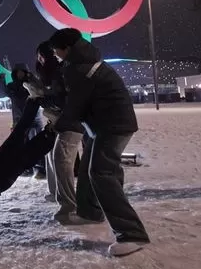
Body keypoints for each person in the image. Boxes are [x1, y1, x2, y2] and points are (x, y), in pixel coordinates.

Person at [49, 28, 150, 257]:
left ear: (66, 49)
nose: (55, 54)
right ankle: (91, 212)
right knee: (89, 168)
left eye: (56, 50)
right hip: (103, 124)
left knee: (102, 173)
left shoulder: (80, 67)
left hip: (113, 125)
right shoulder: (82, 61)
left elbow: (75, 105)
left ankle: (132, 234)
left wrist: (56, 123)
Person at [28, 41, 94, 225]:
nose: (40, 60)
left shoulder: (62, 72)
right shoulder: (51, 73)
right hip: (59, 121)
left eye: (42, 55)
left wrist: (45, 99)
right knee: (52, 157)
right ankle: (58, 195)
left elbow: (65, 100)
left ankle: (69, 207)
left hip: (71, 122)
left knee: (62, 161)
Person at [0, 64, 45, 177]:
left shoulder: (31, 84)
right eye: (17, 72)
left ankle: (40, 168)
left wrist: (32, 77)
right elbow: (5, 91)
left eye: (22, 72)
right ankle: (24, 168)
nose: (20, 74)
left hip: (34, 119)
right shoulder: (12, 87)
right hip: (19, 120)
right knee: (20, 145)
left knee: (36, 143)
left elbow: (40, 90)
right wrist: (1, 80)